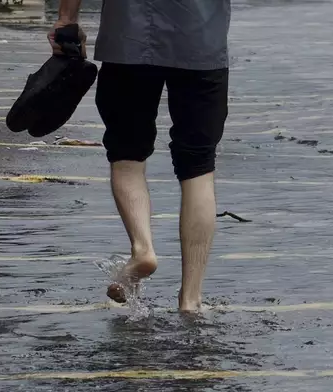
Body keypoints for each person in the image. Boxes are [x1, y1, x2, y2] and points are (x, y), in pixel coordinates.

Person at [49, 0, 231, 313]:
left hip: (128, 41)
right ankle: (190, 299)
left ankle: (142, 249)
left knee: (127, 158)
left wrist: (67, 18)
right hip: (202, 42)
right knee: (198, 168)